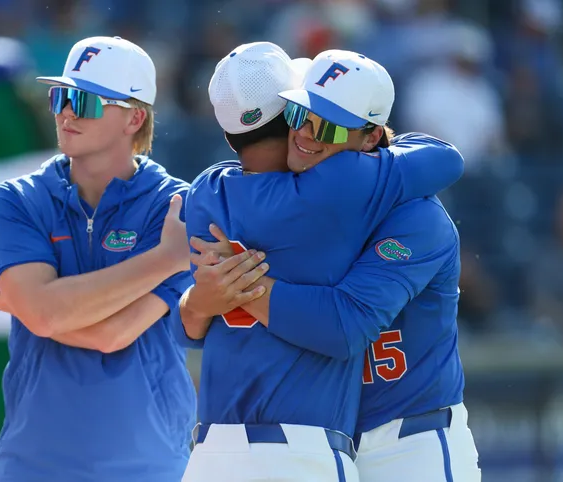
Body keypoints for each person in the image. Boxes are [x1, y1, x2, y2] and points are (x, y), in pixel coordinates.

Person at [0, 36, 258, 482]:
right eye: (60, 96)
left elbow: (112, 333)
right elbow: (47, 316)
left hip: (147, 466)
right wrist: (166, 257)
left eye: (84, 101)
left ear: (135, 117)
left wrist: (19, 301)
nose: (66, 112)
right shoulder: (14, 200)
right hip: (32, 463)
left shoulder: (179, 205)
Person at [186, 51, 481, 481]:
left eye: (326, 125)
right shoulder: (281, 195)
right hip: (327, 440)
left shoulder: (417, 217)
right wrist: (199, 301)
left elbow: (344, 325)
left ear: (368, 139)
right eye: (298, 112)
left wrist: (241, 285)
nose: (305, 133)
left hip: (410, 442)